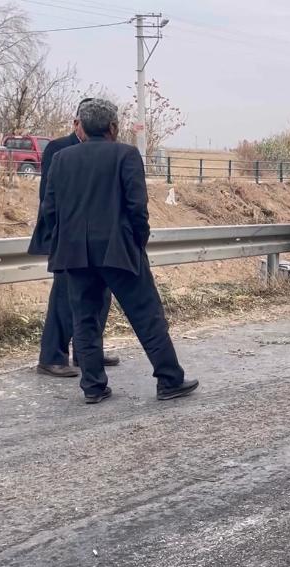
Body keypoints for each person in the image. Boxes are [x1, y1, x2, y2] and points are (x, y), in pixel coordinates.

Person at [41, 98, 198, 404]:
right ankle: (169, 380)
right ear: (113, 127)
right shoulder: (126, 155)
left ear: (81, 128)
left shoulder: (61, 159)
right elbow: (137, 208)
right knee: (146, 314)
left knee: (84, 320)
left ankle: (93, 387)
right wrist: (138, 241)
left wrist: (66, 241)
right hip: (119, 249)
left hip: (74, 253)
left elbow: (50, 209)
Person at [28, 97, 119, 378]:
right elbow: (49, 200)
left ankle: (86, 352)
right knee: (65, 299)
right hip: (68, 239)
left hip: (99, 241)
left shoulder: (107, 150)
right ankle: (51, 356)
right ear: (77, 123)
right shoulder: (59, 149)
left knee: (101, 297)